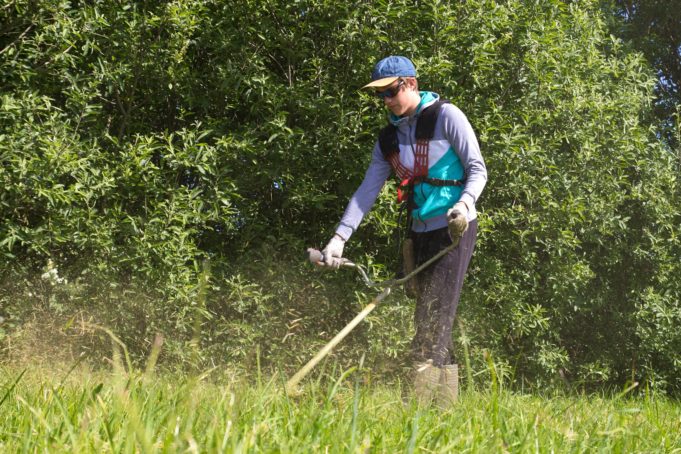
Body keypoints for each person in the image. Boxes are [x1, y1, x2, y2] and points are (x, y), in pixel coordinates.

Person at [318, 56, 487, 406]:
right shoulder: (388, 139)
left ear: (410, 83)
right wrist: (339, 239)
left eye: (391, 91)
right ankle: (445, 412)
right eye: (380, 95)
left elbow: (477, 168)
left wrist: (464, 205)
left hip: (453, 229)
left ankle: (416, 411)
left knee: (432, 316)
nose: (387, 100)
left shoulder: (446, 116)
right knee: (434, 318)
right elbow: (367, 191)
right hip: (419, 232)